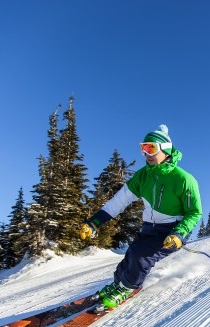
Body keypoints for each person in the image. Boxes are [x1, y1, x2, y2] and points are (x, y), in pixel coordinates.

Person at [80, 124, 202, 310]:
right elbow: (118, 201)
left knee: (140, 257)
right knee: (131, 255)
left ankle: (126, 288)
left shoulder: (183, 179)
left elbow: (194, 212)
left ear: (165, 149)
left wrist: (179, 233)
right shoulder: (142, 176)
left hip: (172, 230)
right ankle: (118, 283)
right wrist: (95, 222)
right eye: (143, 148)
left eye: (151, 148)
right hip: (149, 227)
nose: (146, 153)